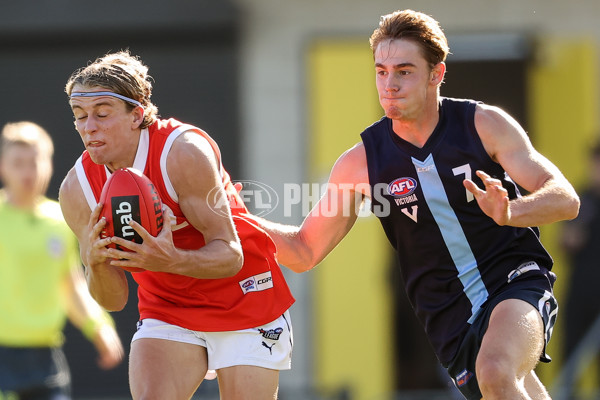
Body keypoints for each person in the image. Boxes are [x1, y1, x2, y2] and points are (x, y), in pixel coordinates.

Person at [251, 9, 580, 400]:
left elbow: (565, 198)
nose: (390, 84)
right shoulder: (360, 163)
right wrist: (233, 215)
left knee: (495, 369)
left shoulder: (484, 124)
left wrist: (511, 212)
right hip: (448, 317)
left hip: (514, 281)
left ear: (436, 74)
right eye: (381, 71)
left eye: (404, 71)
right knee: (503, 384)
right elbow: (304, 250)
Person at [58, 51, 295, 400]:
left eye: (102, 114)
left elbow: (231, 255)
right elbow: (114, 300)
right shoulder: (76, 190)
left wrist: (171, 260)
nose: (88, 126)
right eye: (79, 116)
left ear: (136, 115)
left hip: (243, 296)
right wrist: (95, 264)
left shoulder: (182, 151)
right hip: (167, 307)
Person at [0, 121, 124, 399]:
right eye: (17, 163)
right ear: (2, 166)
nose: (27, 172)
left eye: (34, 162)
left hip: (46, 359)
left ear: (49, 165)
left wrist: (99, 327)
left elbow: (72, 285)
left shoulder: (60, 219)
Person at [560, 139, 600, 387]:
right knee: (571, 359)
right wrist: (571, 239)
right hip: (581, 293)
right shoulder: (581, 199)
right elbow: (565, 243)